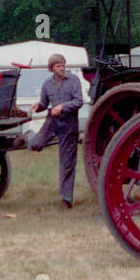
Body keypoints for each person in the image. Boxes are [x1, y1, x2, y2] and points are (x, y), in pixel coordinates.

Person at [27, 53, 83, 206]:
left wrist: (62, 106)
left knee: (67, 163)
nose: (62, 68)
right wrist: (38, 106)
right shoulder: (47, 84)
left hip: (69, 125)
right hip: (53, 122)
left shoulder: (73, 81)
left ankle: (66, 200)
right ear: (52, 68)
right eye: (58, 66)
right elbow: (44, 104)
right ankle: (28, 136)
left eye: (63, 65)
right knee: (35, 145)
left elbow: (79, 101)